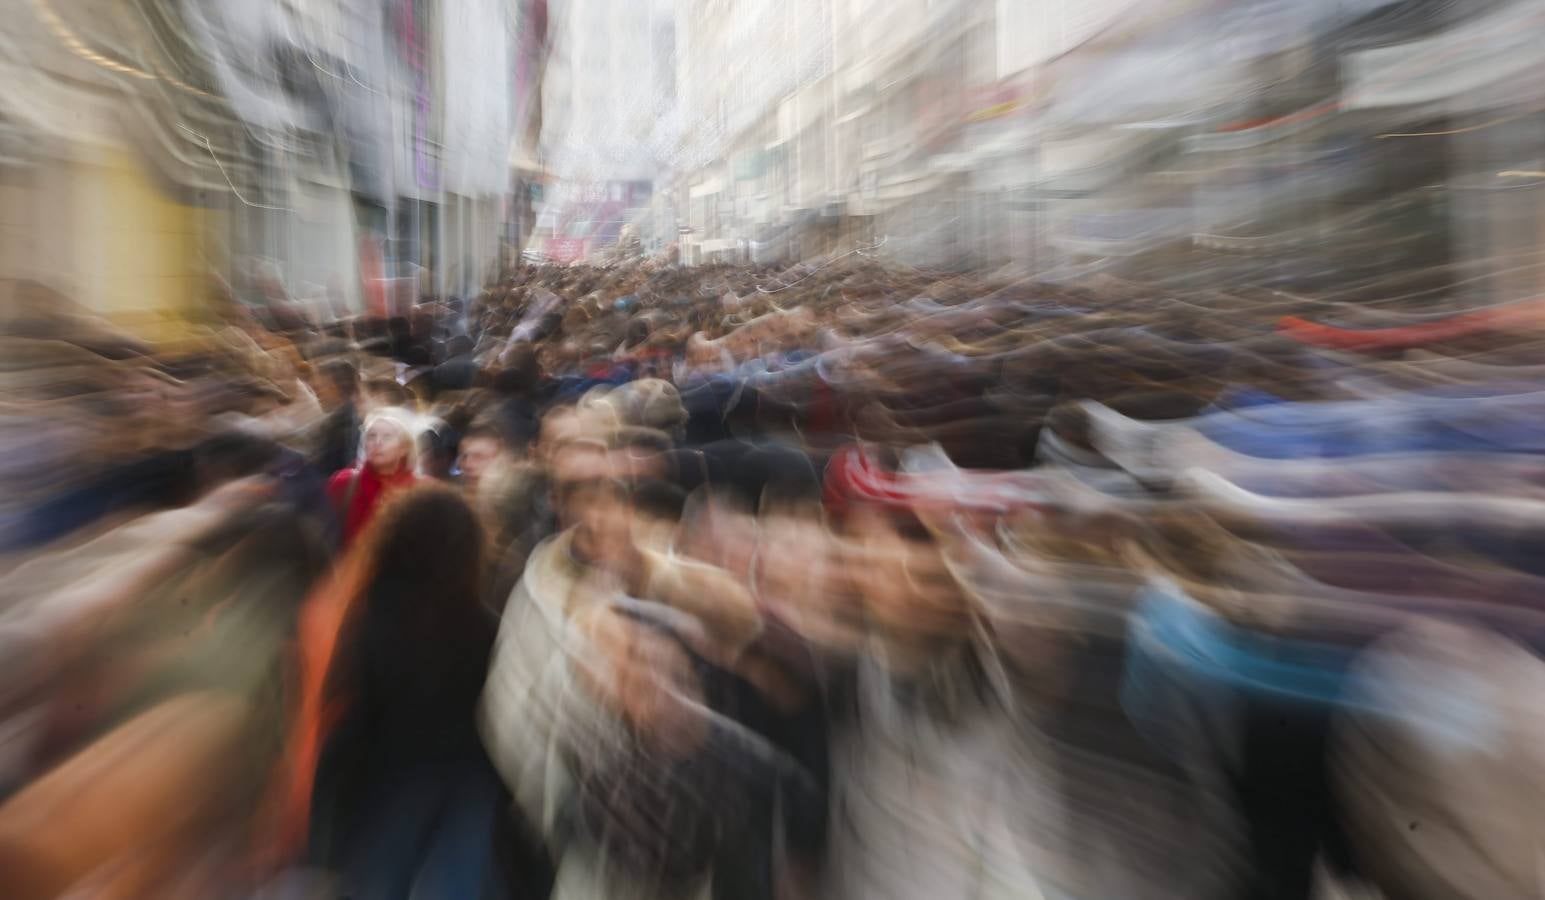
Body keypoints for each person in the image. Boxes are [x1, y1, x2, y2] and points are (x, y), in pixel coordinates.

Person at [312, 485, 507, 900]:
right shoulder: (487, 624)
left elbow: (352, 715)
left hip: (386, 780)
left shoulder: (368, 619)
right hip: (468, 779)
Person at [326, 408, 419, 546]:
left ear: (404, 447)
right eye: (371, 436)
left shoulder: (422, 489)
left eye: (387, 437)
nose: (377, 442)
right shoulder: (344, 483)